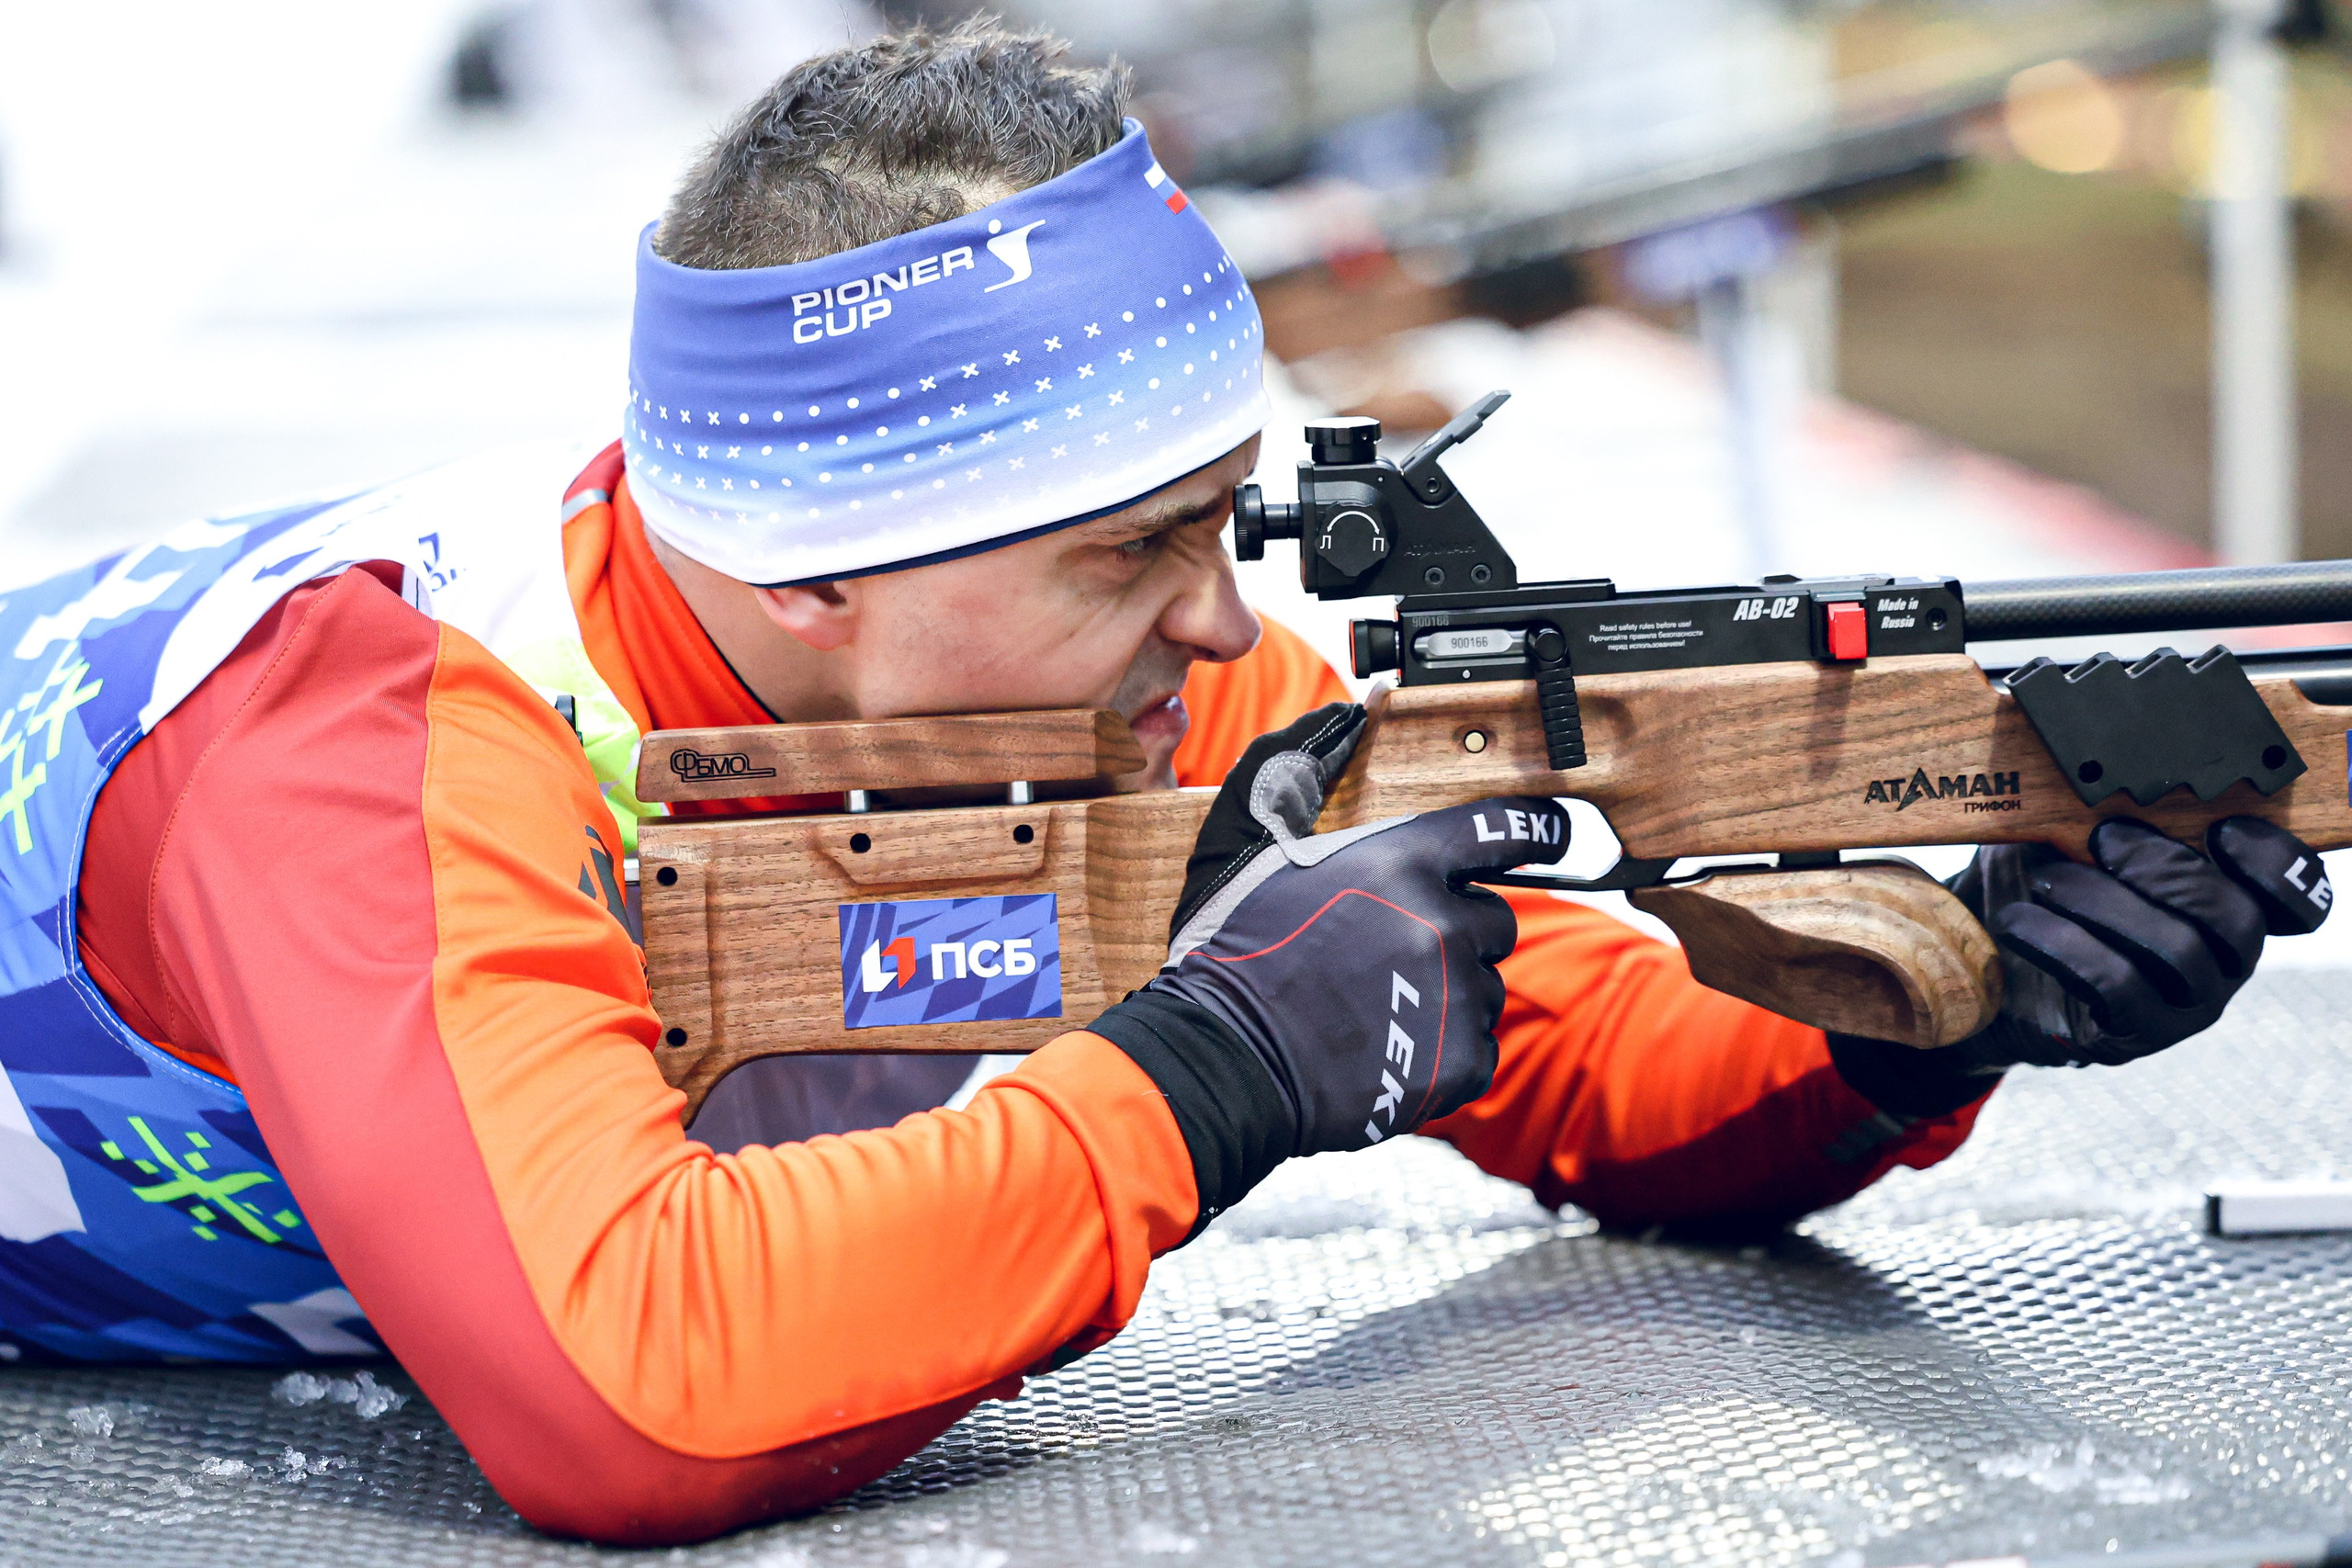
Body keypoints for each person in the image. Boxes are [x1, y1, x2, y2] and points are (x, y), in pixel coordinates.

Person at [0, 18, 2327, 1547]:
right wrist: (1198, 1084)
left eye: (1220, 521)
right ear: (808, 576)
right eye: (1134, 551)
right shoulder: (355, 730)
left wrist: (1930, 1006)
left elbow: (1580, 1056)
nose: (1224, 627)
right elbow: (632, 1386)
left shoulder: (1121, 673)